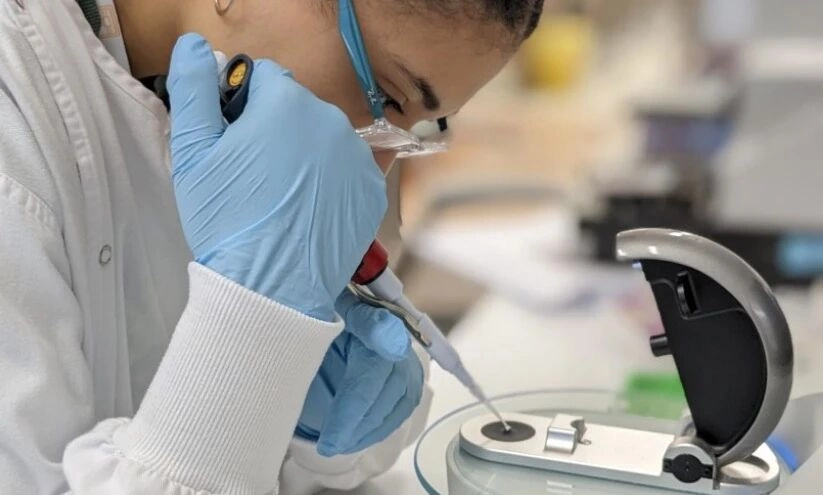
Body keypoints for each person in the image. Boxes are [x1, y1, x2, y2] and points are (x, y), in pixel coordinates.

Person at [0, 0, 543, 492]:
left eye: (419, 128)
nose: (374, 169)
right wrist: (252, 327)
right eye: (386, 96)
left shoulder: (234, 104)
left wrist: (304, 424)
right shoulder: (14, 106)